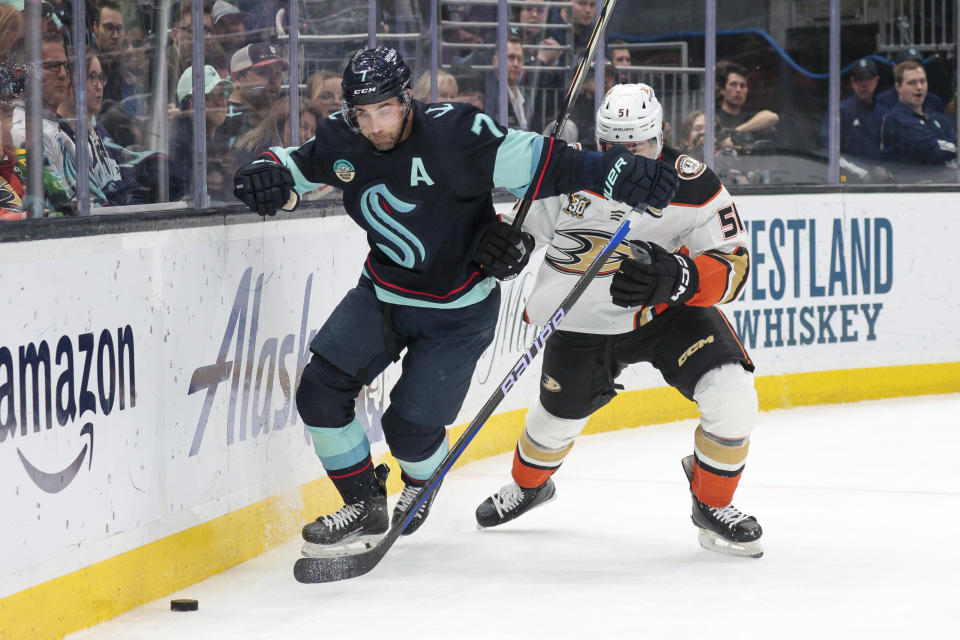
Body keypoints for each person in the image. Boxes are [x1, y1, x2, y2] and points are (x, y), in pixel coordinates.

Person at [232, 47, 679, 554]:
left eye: (385, 110)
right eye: (363, 114)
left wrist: (616, 171)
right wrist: (265, 174)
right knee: (318, 390)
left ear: (407, 101)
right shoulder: (343, 138)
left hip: (458, 310)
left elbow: (548, 160)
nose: (375, 125)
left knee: (408, 427)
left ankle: (422, 483)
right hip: (382, 294)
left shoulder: (456, 135)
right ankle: (363, 503)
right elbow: (295, 166)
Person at [474, 83, 763, 559]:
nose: (627, 157)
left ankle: (712, 503)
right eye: (613, 147)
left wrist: (680, 276)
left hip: (663, 312)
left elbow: (735, 267)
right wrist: (505, 245)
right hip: (579, 318)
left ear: (660, 135)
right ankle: (529, 486)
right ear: (598, 141)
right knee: (553, 423)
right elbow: (520, 226)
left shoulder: (694, 184)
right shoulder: (570, 172)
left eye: (639, 147)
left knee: (730, 391)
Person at [168, 64, 234, 200]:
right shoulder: (181, 141)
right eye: (215, 96)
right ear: (191, 102)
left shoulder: (217, 138)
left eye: (223, 95)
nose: (222, 102)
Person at [880, 60, 957, 167]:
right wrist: (955, 148)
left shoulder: (936, 118)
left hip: (940, 181)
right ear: (898, 87)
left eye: (923, 81)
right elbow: (931, 149)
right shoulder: (895, 119)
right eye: (912, 83)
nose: (919, 87)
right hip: (909, 182)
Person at [831, 57, 888, 162]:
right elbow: (828, 151)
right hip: (846, 176)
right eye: (859, 79)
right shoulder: (840, 112)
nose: (864, 84)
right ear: (852, 82)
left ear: (876, 80)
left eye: (868, 78)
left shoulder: (884, 115)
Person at [715, 61, 779, 150]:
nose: (738, 90)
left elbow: (772, 117)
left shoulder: (750, 118)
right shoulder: (714, 118)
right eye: (733, 84)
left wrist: (736, 133)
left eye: (743, 86)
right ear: (721, 89)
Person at [876, 47, 944, 114]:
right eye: (907, 67)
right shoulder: (882, 101)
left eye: (918, 65)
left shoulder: (934, 101)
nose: (914, 70)